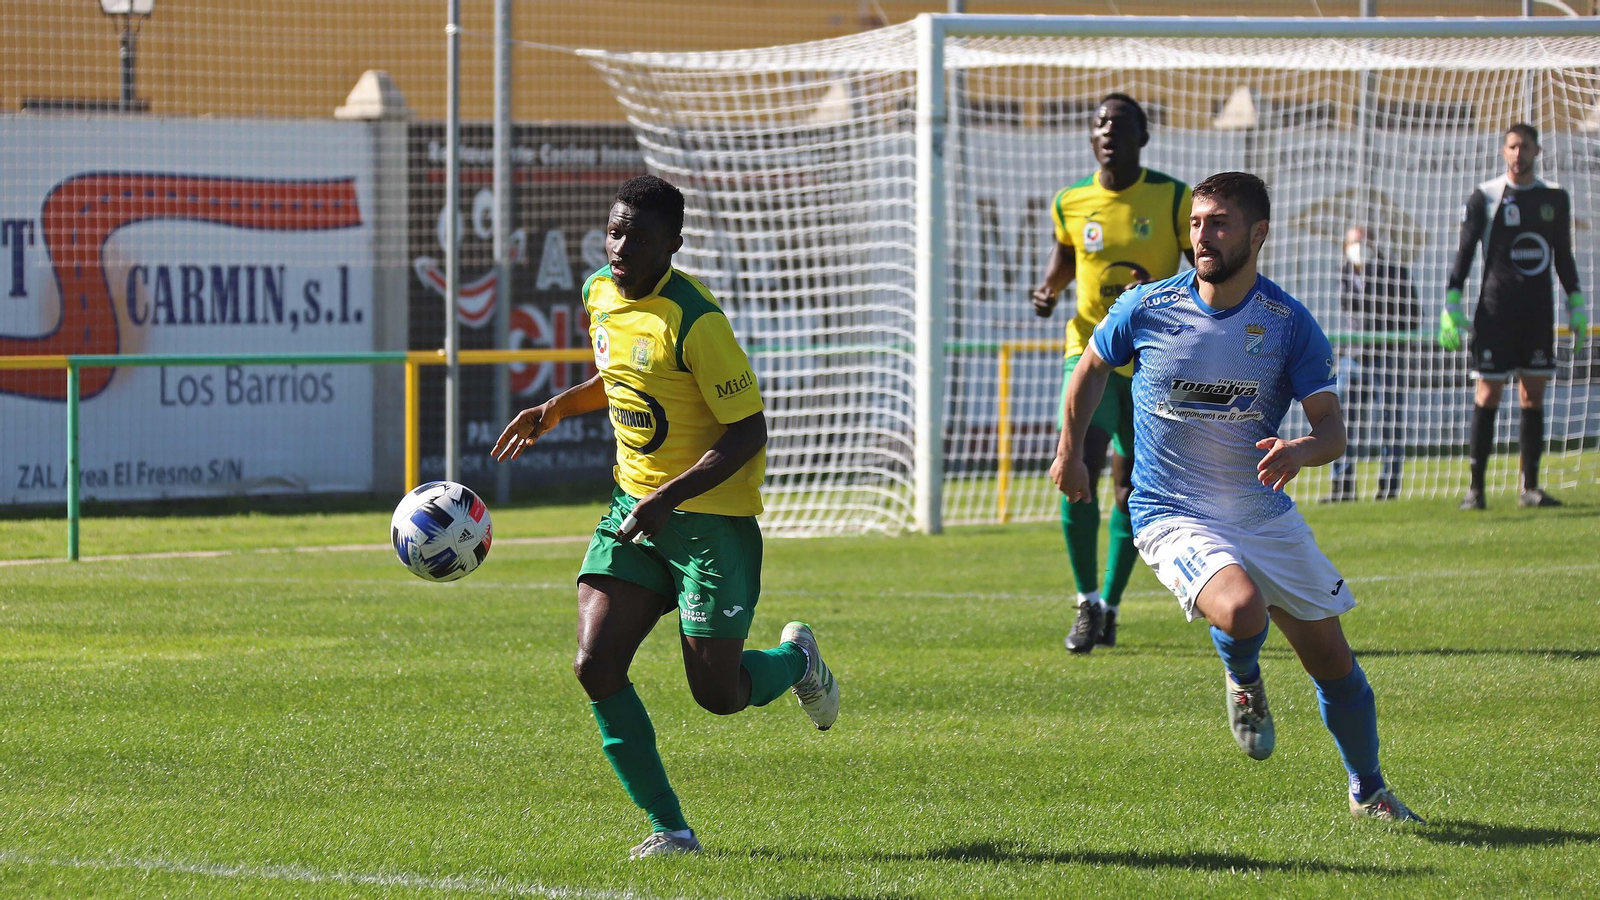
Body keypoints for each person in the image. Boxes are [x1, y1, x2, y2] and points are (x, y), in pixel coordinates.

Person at [1052, 172, 1424, 823]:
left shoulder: (1286, 324)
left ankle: (1369, 790)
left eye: (1218, 223)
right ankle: (1244, 679)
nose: (1202, 236)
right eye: (1196, 222)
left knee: (1336, 664)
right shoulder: (1147, 306)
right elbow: (1089, 367)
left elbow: (1332, 428)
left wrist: (1301, 451)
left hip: (1262, 511)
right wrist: (1068, 452)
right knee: (1244, 608)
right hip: (1172, 513)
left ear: (1258, 234)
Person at [492, 175, 839, 859]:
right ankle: (672, 830)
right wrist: (555, 408)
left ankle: (798, 660)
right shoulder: (599, 293)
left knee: (718, 693)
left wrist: (669, 497)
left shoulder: (696, 321)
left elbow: (747, 430)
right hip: (635, 510)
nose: (621, 247)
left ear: (673, 245)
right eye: (615, 230)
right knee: (594, 665)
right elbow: (622, 377)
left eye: (640, 237)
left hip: (709, 523)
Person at [1030, 93, 1193, 653]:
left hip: (1152, 360)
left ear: (1143, 137)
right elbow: (1064, 255)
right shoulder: (1071, 201)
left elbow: (1204, 271)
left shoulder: (1173, 197)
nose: (1108, 132)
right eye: (1100, 123)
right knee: (1075, 466)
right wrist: (1049, 289)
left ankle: (1111, 606)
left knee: (1131, 490)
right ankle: (1084, 602)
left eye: (1121, 125)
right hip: (1090, 354)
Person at [1442, 122, 1587, 510]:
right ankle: (1476, 489)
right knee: (1487, 394)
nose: (1518, 153)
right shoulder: (1486, 196)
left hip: (1538, 314)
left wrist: (1576, 301)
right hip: (1494, 313)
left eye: (1524, 146)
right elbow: (1466, 251)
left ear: (1537, 151)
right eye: (1511, 146)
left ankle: (1531, 487)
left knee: (1532, 397)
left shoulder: (1554, 198)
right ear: (1503, 151)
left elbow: (1563, 254)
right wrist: (1451, 301)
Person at [1326, 226, 1420, 501]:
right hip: (1352, 359)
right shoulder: (1343, 272)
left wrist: (1389, 338)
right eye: (1354, 242)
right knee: (1341, 424)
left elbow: (1414, 316)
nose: (1360, 247)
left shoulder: (1394, 272)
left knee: (1390, 425)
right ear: (1345, 246)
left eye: (1364, 241)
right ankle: (1342, 488)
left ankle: (1388, 489)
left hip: (1386, 359)